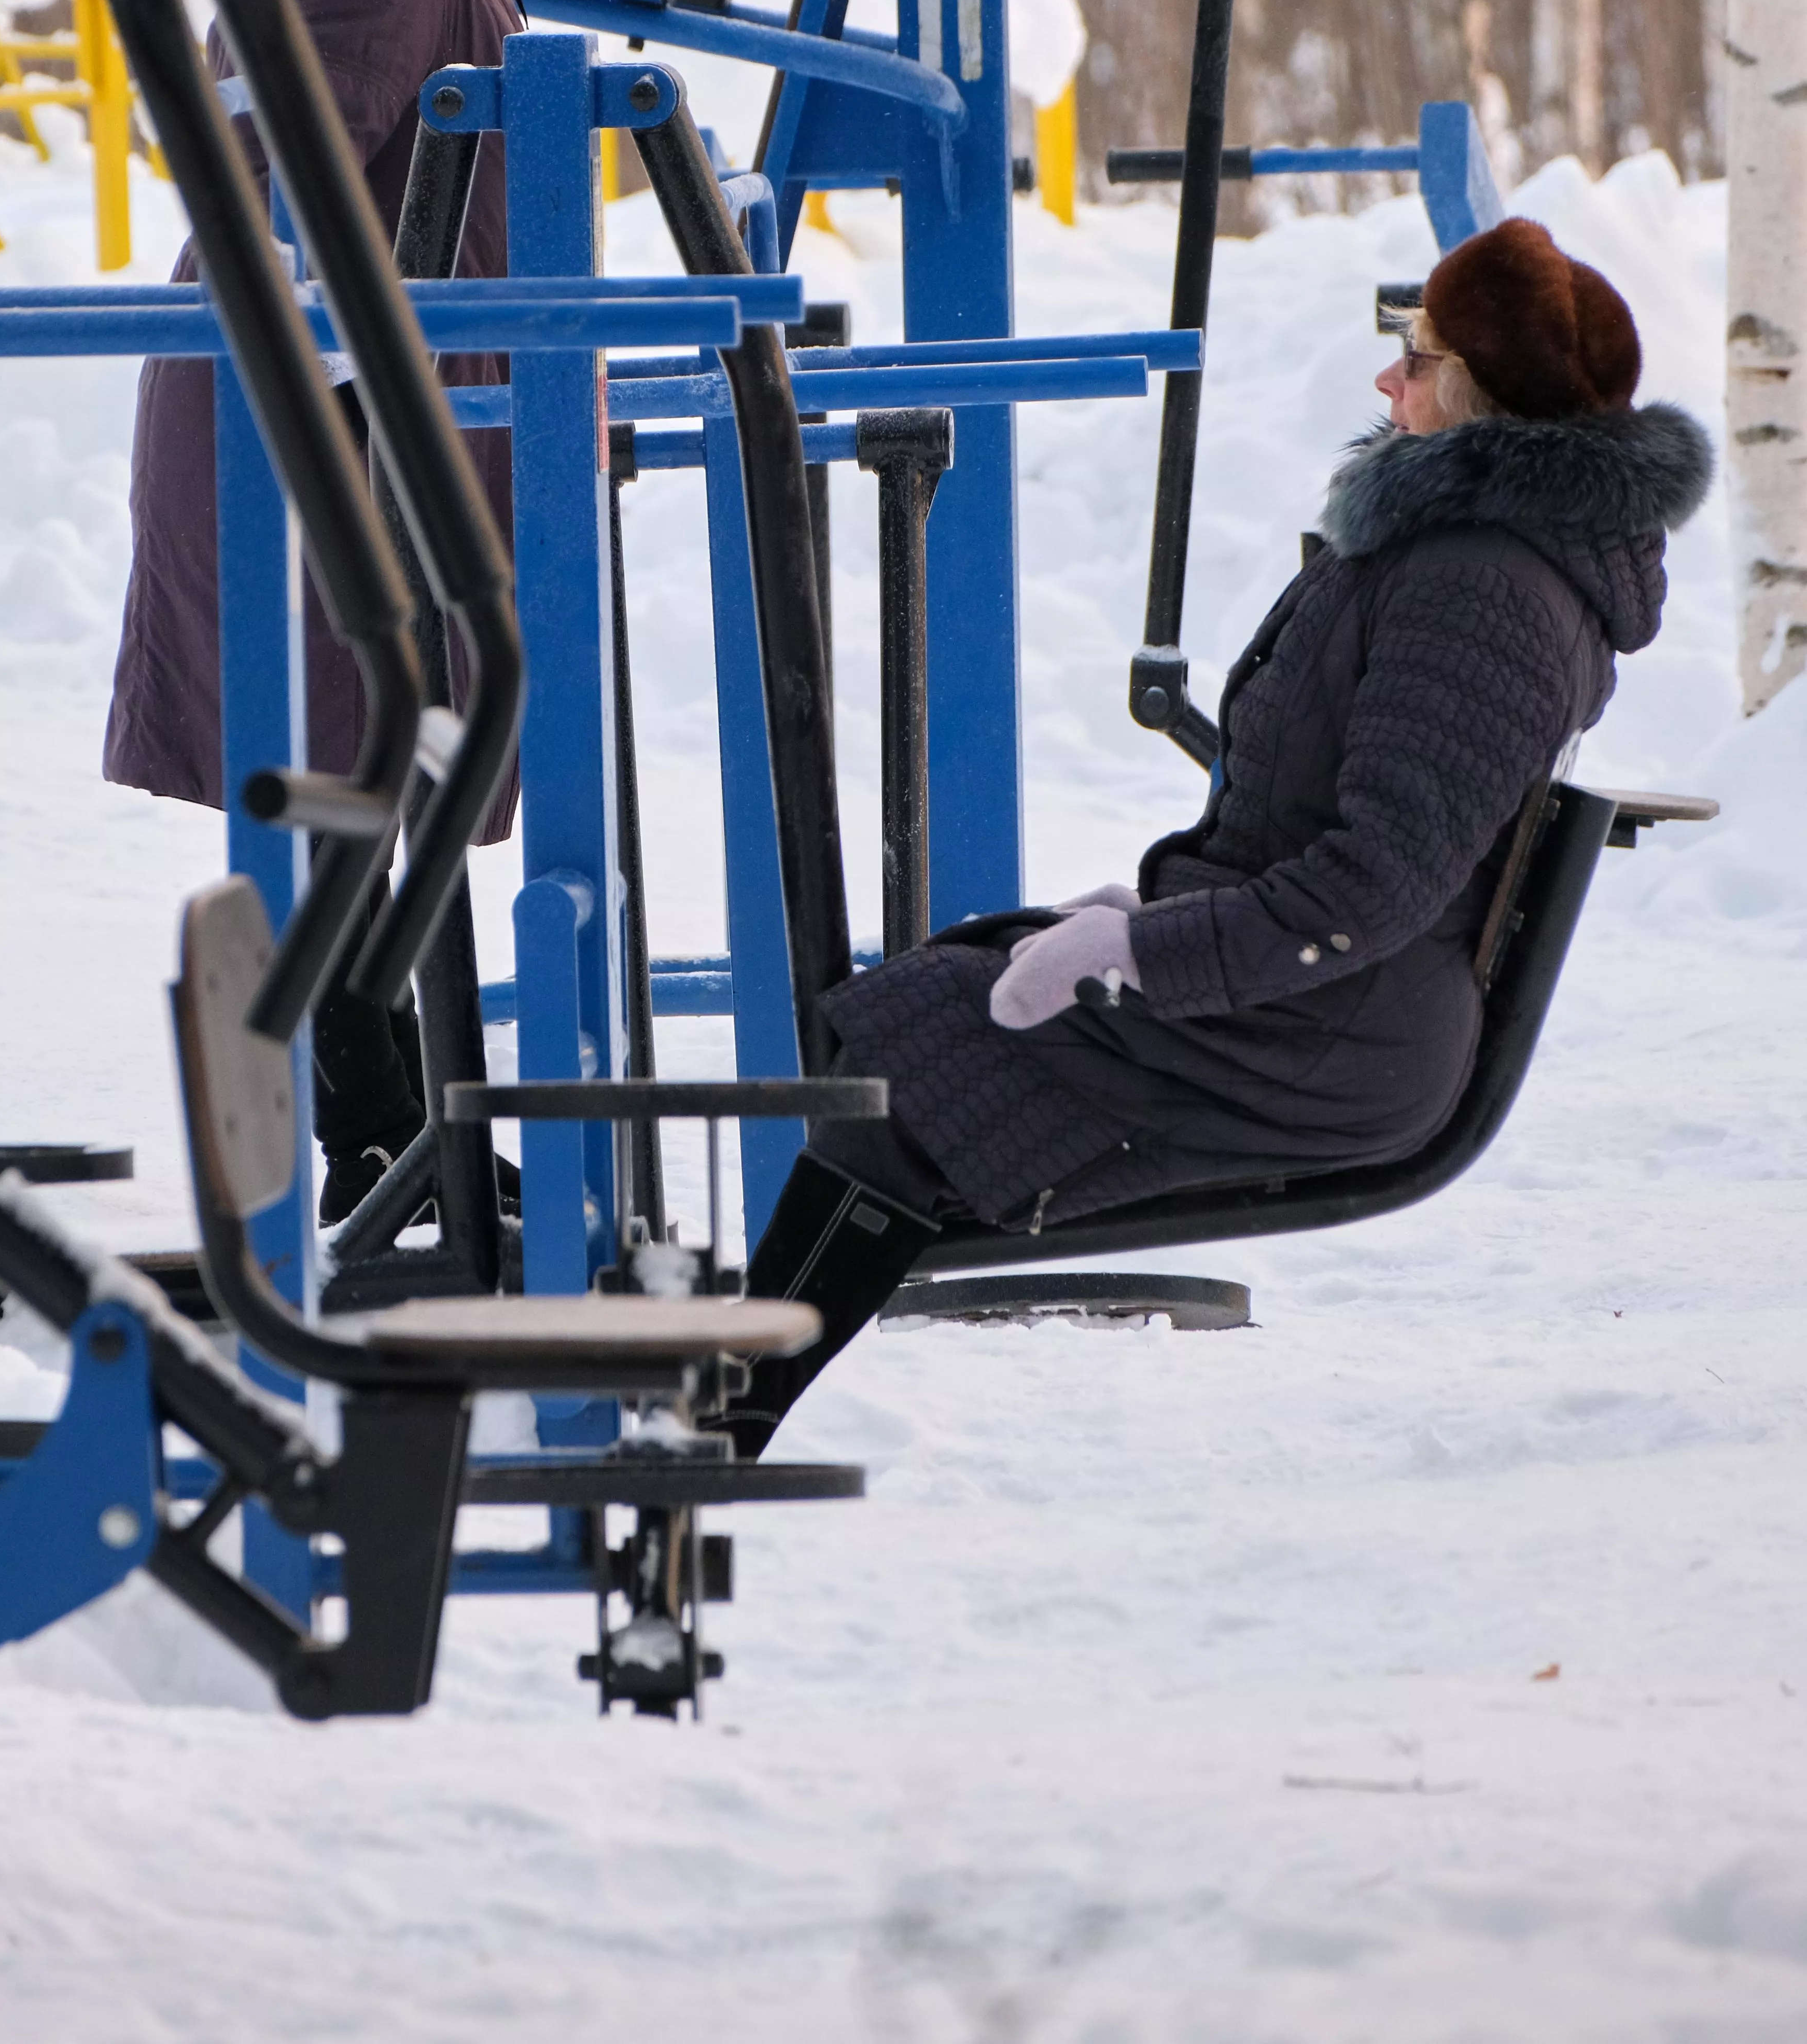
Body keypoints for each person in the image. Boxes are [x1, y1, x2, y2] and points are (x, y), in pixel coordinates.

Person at [720, 216, 1714, 1456]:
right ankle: (724, 1392)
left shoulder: (1483, 587)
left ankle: (721, 1417)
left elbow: (1373, 885)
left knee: (913, 1074)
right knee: (919, 1031)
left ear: (1476, 397)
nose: (1386, 378)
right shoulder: (1452, 549)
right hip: (1314, 1002)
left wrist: (1146, 955)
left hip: (1329, 1031)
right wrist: (1136, 922)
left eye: (1417, 357)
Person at [103, 0, 552, 1222]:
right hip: (327, 441)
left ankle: (410, 1140)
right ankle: (383, 1147)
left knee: (393, 777)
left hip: (360, 423)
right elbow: (273, 162)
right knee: (365, 781)